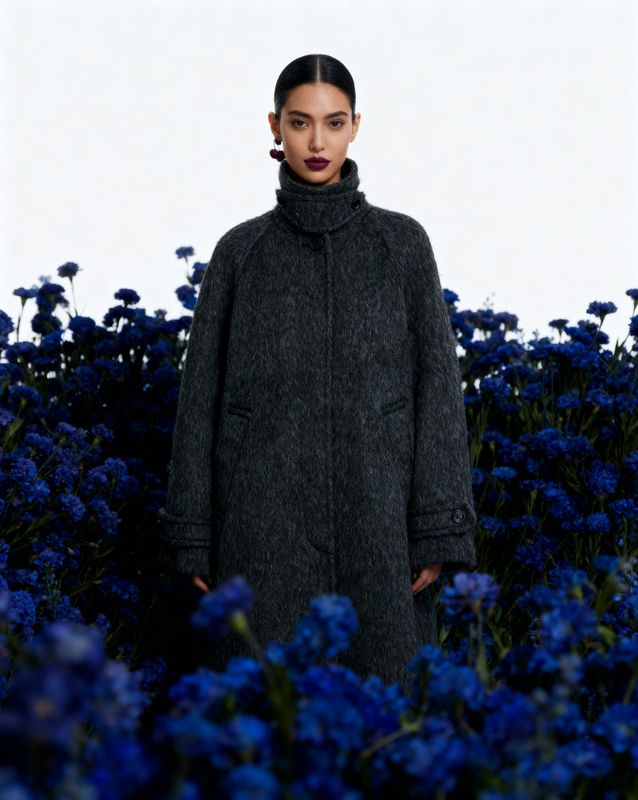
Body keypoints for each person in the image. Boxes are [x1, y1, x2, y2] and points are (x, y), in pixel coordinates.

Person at [158, 54, 477, 693]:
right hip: (257, 528)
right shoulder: (239, 251)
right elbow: (202, 400)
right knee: (259, 720)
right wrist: (193, 533)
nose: (317, 141)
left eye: (333, 123)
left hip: (379, 522)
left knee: (384, 717)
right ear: (275, 127)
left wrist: (438, 526)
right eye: (301, 123)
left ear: (356, 127)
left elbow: (437, 389)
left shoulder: (402, 245)